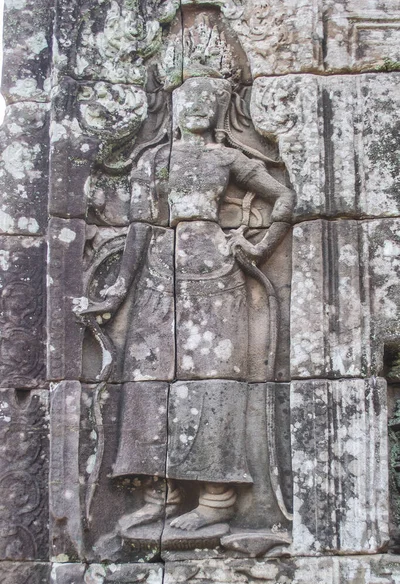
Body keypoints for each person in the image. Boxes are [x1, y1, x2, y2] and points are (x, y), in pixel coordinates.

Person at [79, 75, 294, 534]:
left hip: (218, 272)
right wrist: (119, 288)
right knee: (145, 382)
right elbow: (139, 227)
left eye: (208, 99)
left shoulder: (227, 157)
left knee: (213, 382)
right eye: (187, 97)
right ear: (173, 108)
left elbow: (285, 198)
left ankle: (217, 499)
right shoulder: (153, 159)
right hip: (159, 271)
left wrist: (258, 246)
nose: (197, 105)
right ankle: (162, 493)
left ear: (221, 112)